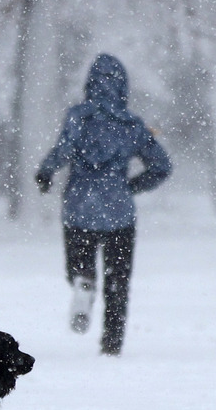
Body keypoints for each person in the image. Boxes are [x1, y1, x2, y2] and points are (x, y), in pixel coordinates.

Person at [35, 53, 172, 356]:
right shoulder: (132, 125)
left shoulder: (78, 117)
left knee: (79, 266)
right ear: (123, 86)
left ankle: (83, 281)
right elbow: (162, 166)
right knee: (118, 281)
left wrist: (45, 172)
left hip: (79, 207)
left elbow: (62, 151)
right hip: (118, 212)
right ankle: (112, 344)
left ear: (90, 84)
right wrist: (131, 187)